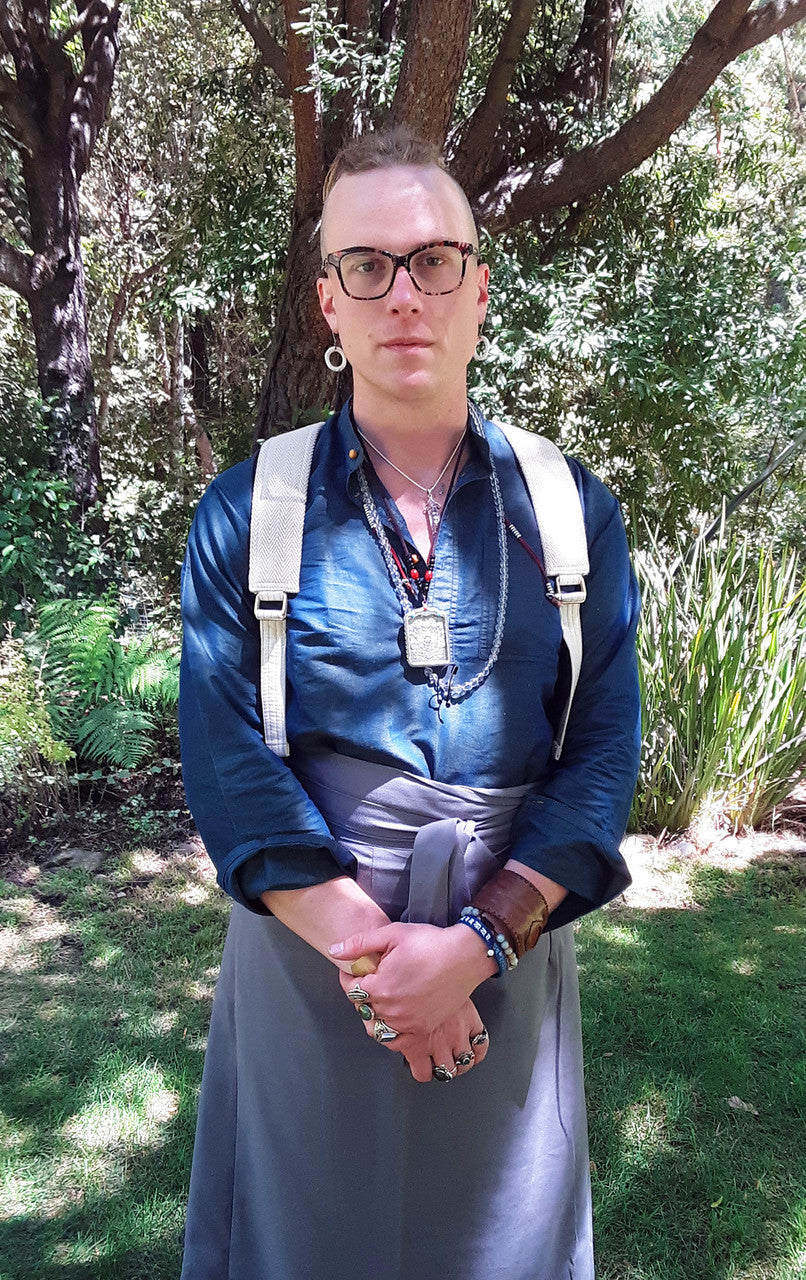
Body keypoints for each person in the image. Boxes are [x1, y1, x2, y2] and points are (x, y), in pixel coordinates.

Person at [178, 126, 641, 1280]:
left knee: (498, 1239)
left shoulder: (570, 510)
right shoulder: (249, 510)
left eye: (433, 260)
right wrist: (385, 967)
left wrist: (473, 947)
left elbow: (597, 759)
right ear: (326, 304)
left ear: (479, 290)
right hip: (311, 953)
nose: (403, 294)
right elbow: (228, 759)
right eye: (366, 265)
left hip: (503, 958)